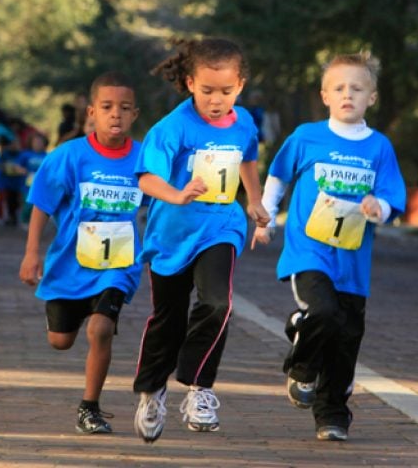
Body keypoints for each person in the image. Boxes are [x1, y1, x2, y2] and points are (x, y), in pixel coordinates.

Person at [251, 52, 406, 442]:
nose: (347, 95)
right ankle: (302, 370)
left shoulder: (379, 147)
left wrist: (379, 207)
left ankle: (332, 414)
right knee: (324, 311)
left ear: (372, 97)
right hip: (309, 251)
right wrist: (265, 218)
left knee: (346, 336)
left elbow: (392, 196)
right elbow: (278, 176)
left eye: (357, 88)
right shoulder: (306, 136)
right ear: (324, 96)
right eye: (339, 88)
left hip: (352, 260)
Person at [132, 37, 269, 443]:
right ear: (190, 83)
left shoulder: (243, 121)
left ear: (240, 86)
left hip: (220, 227)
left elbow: (247, 158)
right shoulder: (172, 127)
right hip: (172, 235)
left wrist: (255, 201)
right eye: (207, 90)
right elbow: (147, 176)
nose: (216, 100)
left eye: (225, 92)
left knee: (216, 303)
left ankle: (198, 387)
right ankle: (152, 391)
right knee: (167, 320)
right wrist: (175, 194)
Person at [19, 72, 145, 435]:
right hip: (70, 265)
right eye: (106, 107)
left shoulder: (143, 159)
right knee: (60, 342)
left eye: (123, 108)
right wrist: (31, 253)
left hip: (118, 264)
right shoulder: (70, 156)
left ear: (135, 114)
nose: (115, 115)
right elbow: (41, 204)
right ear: (92, 112)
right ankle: (66, 317)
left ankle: (90, 407)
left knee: (101, 329)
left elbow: (162, 203)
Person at [17, 131, 48, 228]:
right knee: (28, 205)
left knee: (39, 206)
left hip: (41, 186)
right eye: (35, 142)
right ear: (31, 143)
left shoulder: (47, 156)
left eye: (40, 142)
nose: (38, 144)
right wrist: (21, 170)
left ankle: (37, 224)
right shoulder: (26, 154)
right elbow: (17, 165)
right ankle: (24, 220)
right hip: (27, 186)